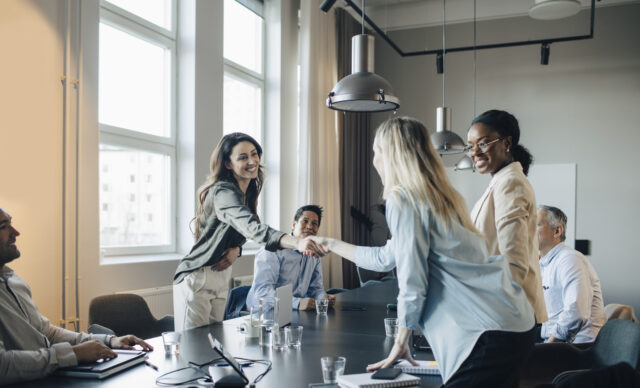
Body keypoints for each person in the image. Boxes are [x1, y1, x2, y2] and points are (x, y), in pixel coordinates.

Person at [313, 117, 535, 387]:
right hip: (513, 324)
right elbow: (386, 258)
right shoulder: (439, 197)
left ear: (392, 155)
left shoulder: (402, 198)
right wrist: (330, 244)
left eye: (376, 152)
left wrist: (401, 339)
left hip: (488, 332)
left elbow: (412, 280)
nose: (374, 161)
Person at [173, 132, 325, 331]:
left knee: (212, 347)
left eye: (254, 154)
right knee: (193, 349)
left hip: (221, 274)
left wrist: (237, 248)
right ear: (228, 164)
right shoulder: (223, 192)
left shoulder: (245, 193)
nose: (252, 161)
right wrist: (297, 242)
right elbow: (251, 227)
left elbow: (238, 230)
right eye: (243, 157)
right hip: (199, 275)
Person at [0, 207, 152, 385]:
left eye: (11, 223)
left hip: (48, 376)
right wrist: (73, 354)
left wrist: (109, 341)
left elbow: (47, 332)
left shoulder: (14, 281)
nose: (16, 233)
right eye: (4, 226)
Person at [466, 109, 548, 323]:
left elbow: (514, 265)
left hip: (507, 317)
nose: (475, 152)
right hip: (502, 313)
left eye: (483, 143)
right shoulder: (501, 181)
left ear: (507, 143)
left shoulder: (510, 182)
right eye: (470, 146)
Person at [246, 205, 335, 311]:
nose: (310, 226)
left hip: (292, 312)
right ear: (294, 225)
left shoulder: (314, 254)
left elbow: (316, 289)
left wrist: (323, 299)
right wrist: (297, 303)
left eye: (314, 223)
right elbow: (262, 292)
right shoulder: (272, 250)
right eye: (305, 221)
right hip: (263, 313)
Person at [537, 205, 605, 343]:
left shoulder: (569, 259)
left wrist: (548, 349)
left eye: (535, 225)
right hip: (554, 341)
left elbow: (576, 313)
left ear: (557, 231)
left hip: (577, 346)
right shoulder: (545, 263)